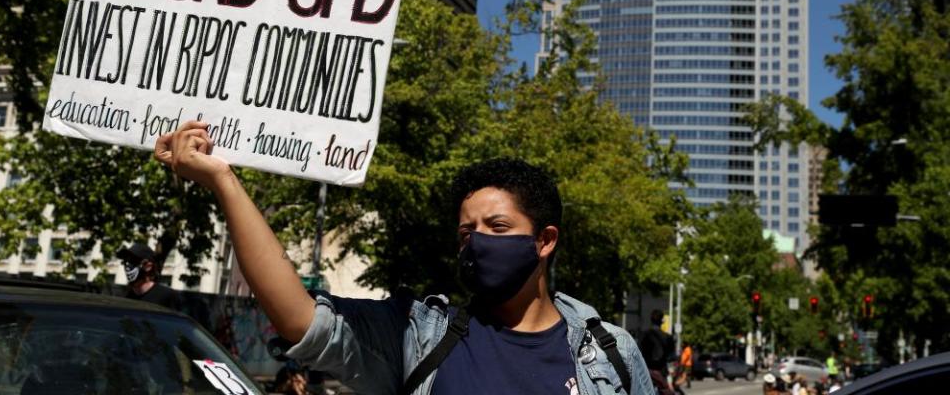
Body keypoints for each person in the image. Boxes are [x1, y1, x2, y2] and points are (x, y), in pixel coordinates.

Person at [155, 121, 655, 395]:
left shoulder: (610, 354)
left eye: (498, 228)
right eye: (466, 232)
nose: (478, 242)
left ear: (544, 241)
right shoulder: (419, 335)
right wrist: (224, 180)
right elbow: (297, 318)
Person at [116, 241, 181, 310]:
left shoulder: (167, 296)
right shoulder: (123, 298)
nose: (127, 266)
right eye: (125, 261)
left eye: (133, 261)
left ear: (148, 266)